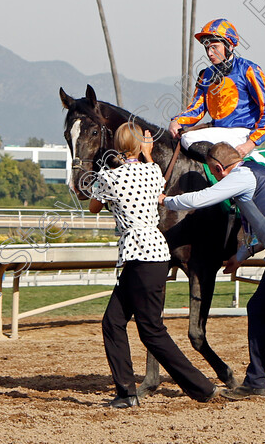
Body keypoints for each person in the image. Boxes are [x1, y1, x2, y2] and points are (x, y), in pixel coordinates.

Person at [159, 142, 265, 404]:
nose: (215, 178)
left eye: (214, 173)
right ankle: (255, 382)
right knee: (259, 307)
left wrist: (165, 200)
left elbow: (199, 199)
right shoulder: (259, 175)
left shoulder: (241, 176)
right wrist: (239, 257)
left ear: (218, 167)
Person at [89, 122, 219, 408]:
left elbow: (93, 207)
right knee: (113, 322)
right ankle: (126, 392)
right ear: (141, 146)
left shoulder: (109, 177)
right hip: (155, 253)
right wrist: (147, 154)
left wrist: (104, 173)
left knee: (152, 330)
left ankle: (202, 387)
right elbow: (156, 181)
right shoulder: (152, 171)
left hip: (138, 256)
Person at [170, 18, 265, 161]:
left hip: (242, 133)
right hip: (217, 133)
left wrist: (250, 143)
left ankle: (224, 168)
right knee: (185, 139)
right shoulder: (206, 74)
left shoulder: (248, 70)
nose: (210, 53)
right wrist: (178, 121)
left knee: (188, 138)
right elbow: (197, 108)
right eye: (207, 48)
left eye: (214, 47)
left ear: (229, 46)